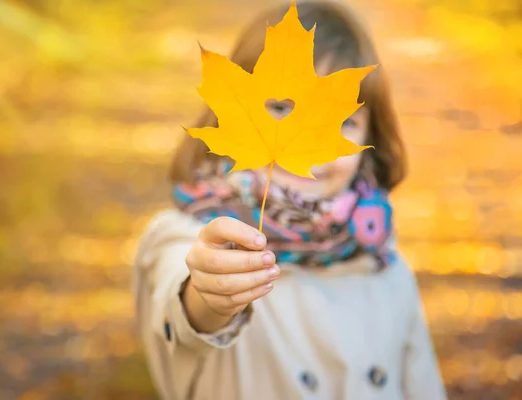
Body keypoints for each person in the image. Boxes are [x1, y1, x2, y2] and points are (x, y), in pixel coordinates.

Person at [133, 1, 447, 399]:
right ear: (227, 111)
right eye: (280, 107)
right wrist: (209, 295)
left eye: (344, 122)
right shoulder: (183, 237)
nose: (317, 150)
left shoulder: (384, 264)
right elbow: (180, 305)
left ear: (372, 144)